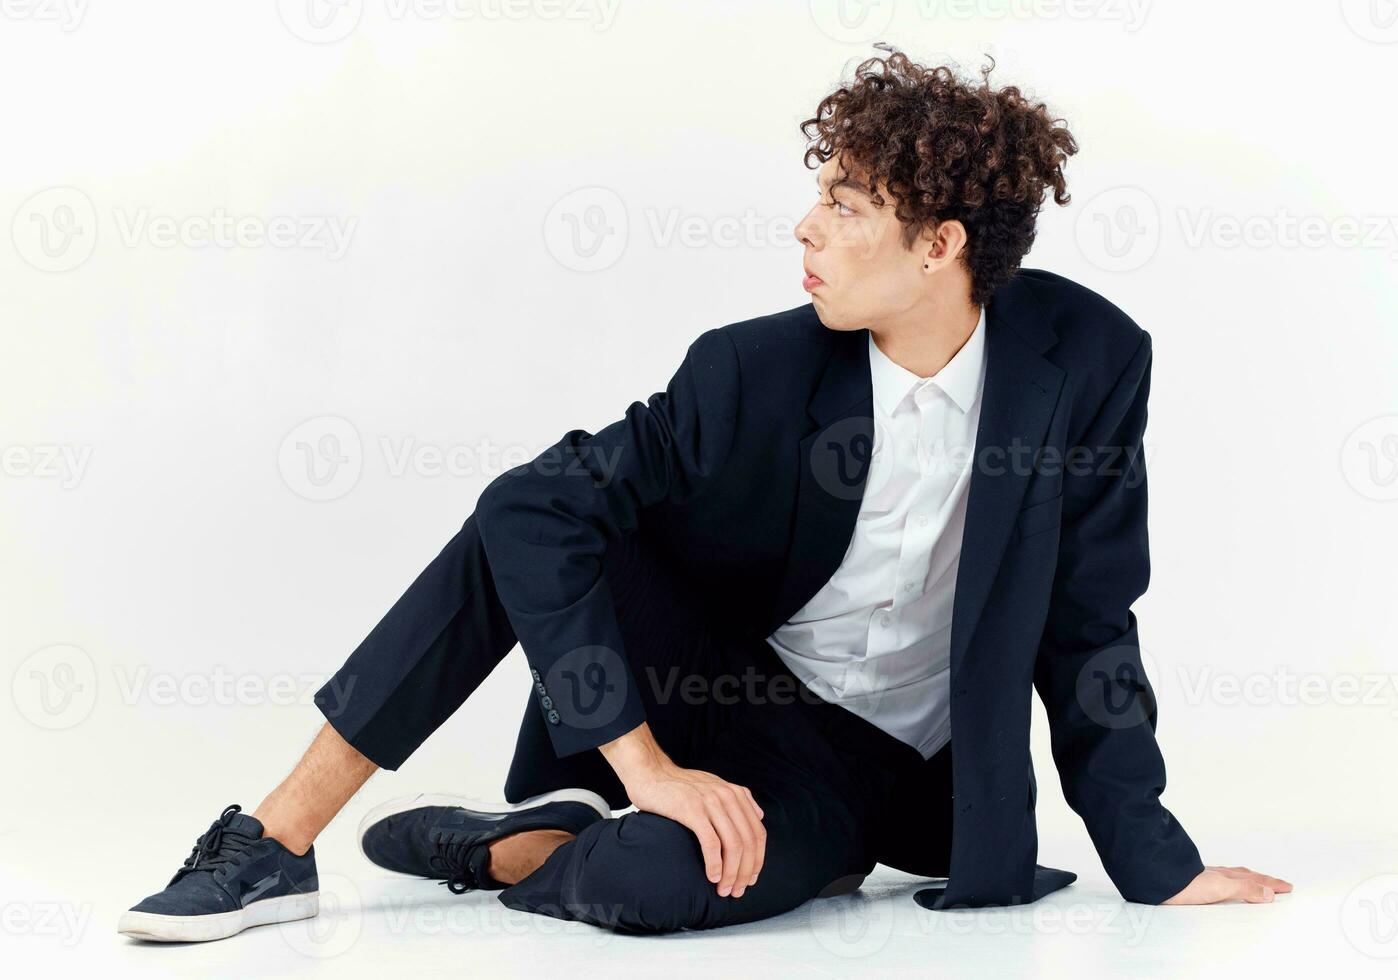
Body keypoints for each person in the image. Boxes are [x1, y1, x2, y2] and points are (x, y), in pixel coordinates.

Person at [118, 46, 1290, 943]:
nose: (805, 226)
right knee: (519, 512)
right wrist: (646, 763)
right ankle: (274, 841)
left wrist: (1154, 857)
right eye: (817, 194)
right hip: (718, 690)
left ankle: (529, 850)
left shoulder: (1085, 359)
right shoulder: (754, 369)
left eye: (843, 205)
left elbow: (1091, 614)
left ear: (937, 246)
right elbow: (532, 510)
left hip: (890, 773)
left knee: (642, 883)